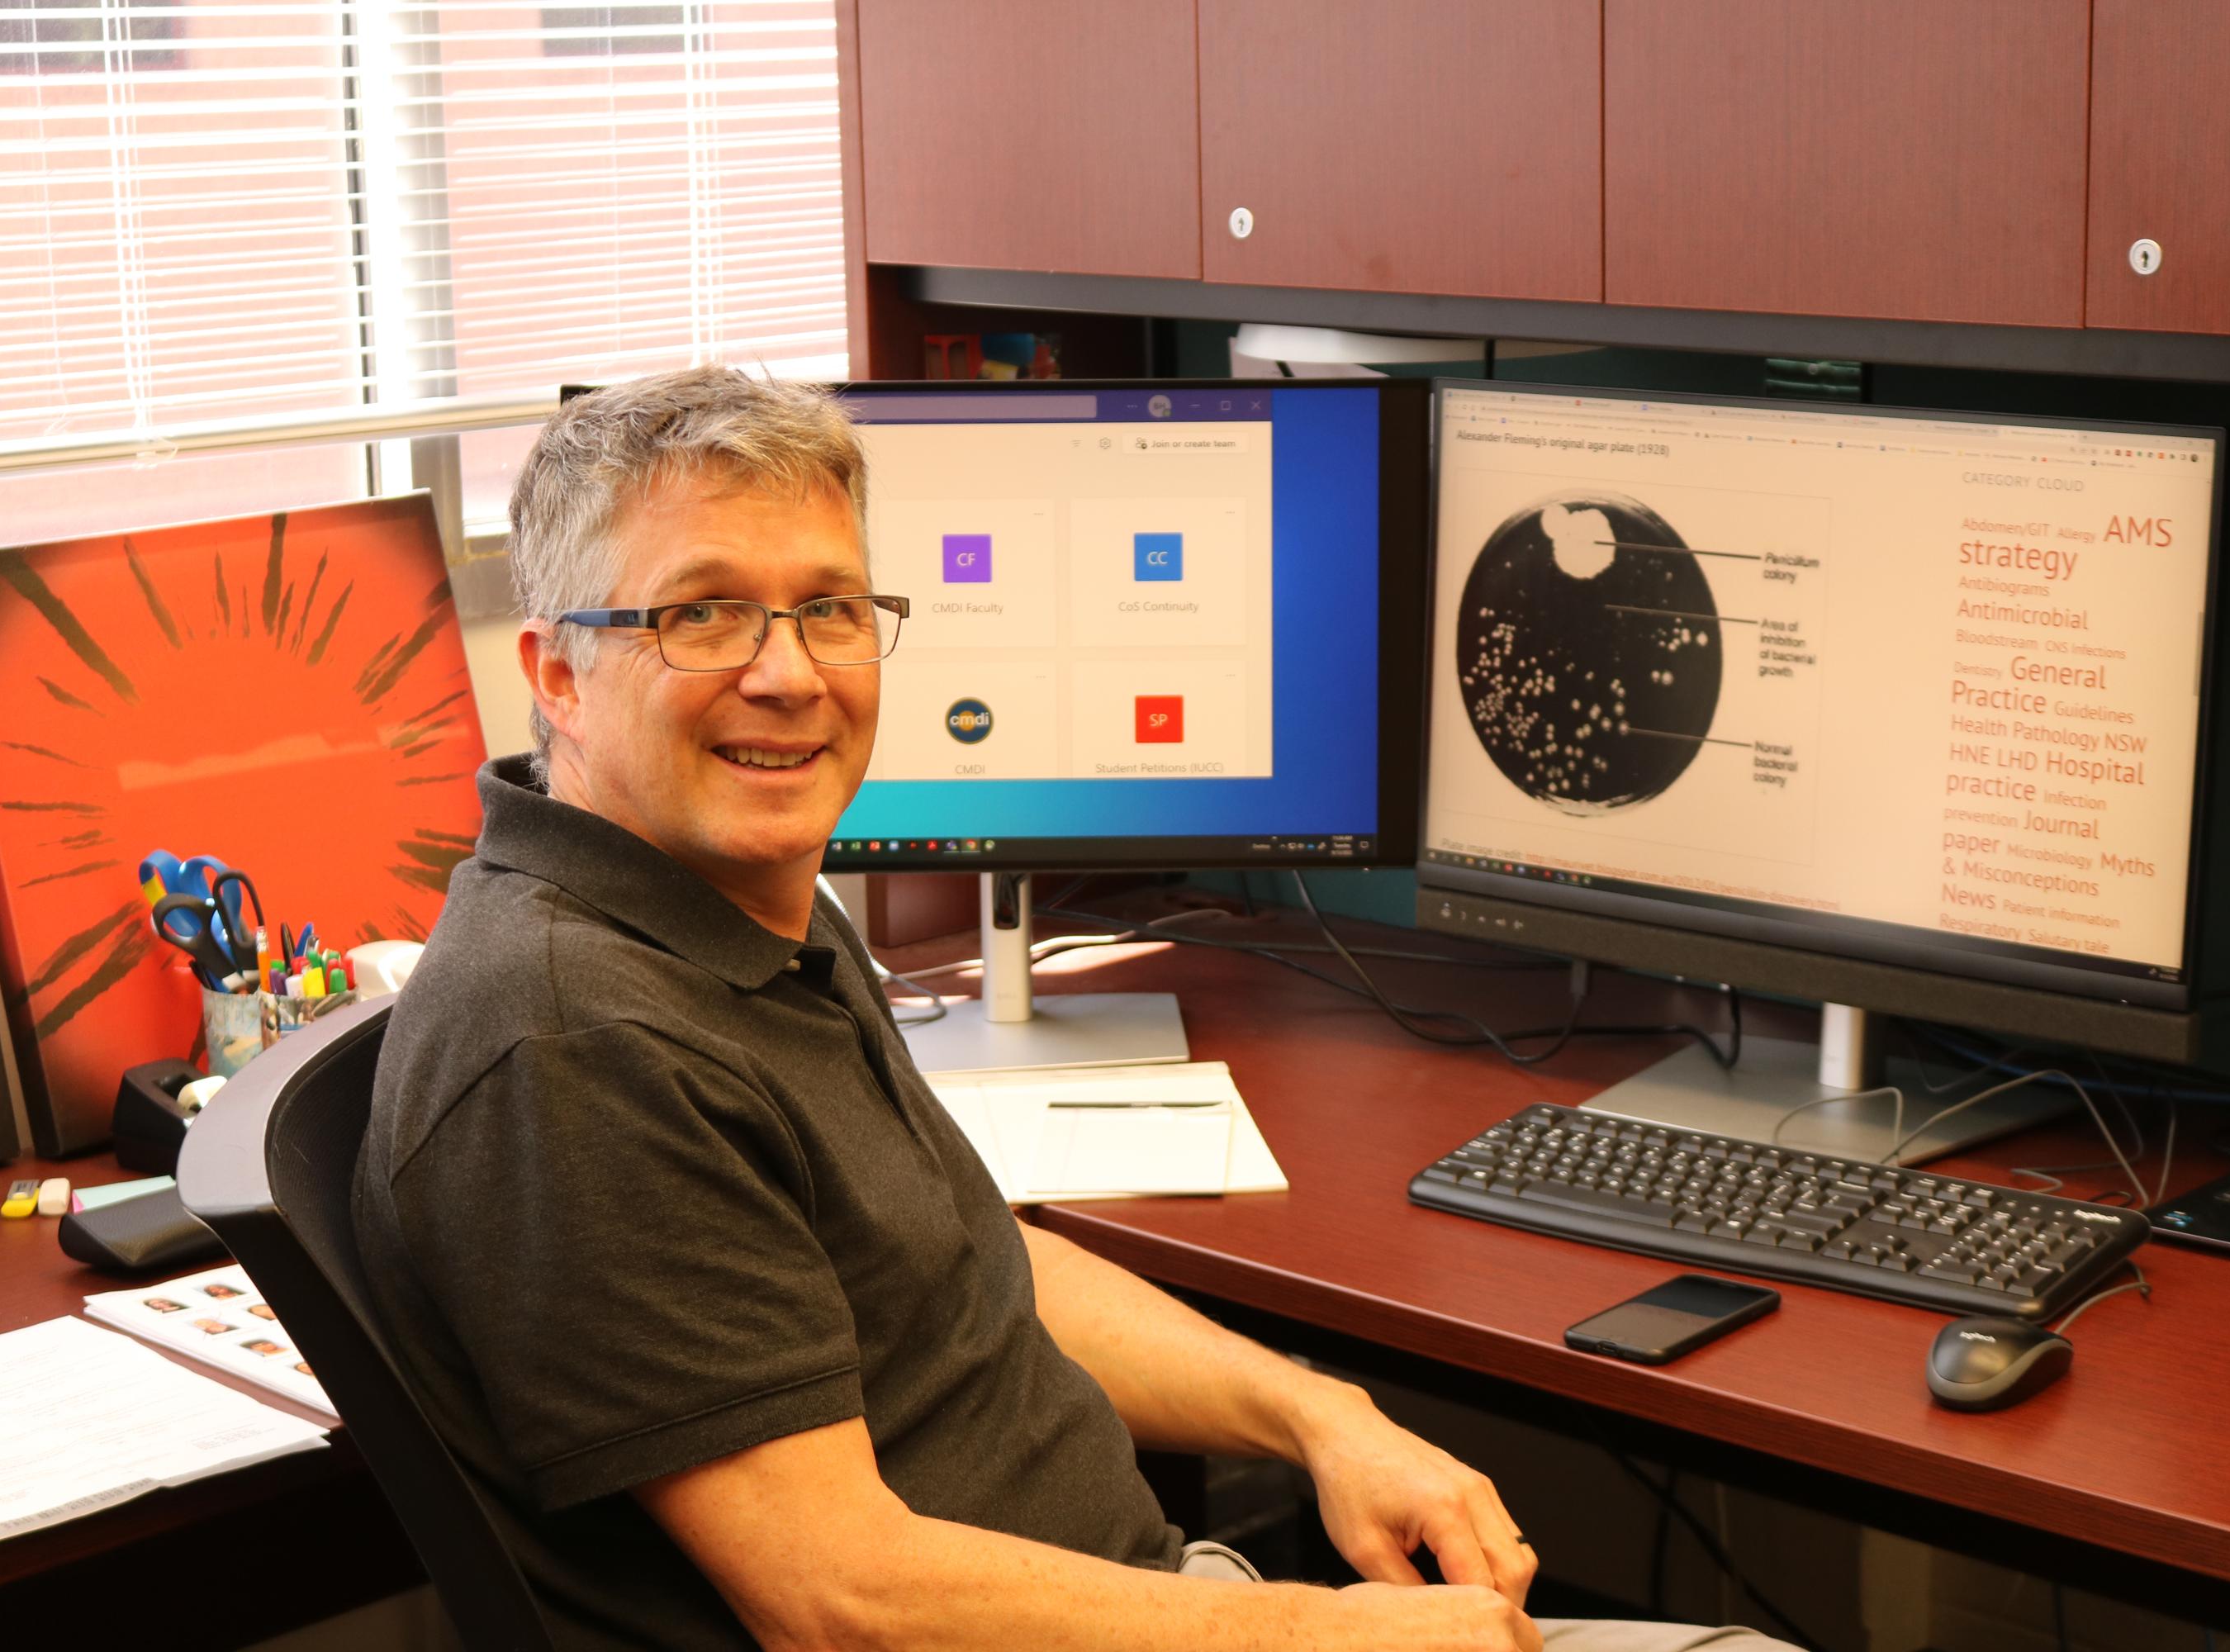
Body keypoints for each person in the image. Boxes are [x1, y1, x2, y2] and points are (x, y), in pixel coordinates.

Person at [353, 364, 1798, 1652]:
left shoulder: (730, 904)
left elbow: (978, 1265)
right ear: (558, 672)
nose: (787, 674)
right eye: (704, 614)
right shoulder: (581, 1042)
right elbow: (841, 1602)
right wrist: (1322, 1639)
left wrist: (1319, 1415)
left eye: (830, 609)